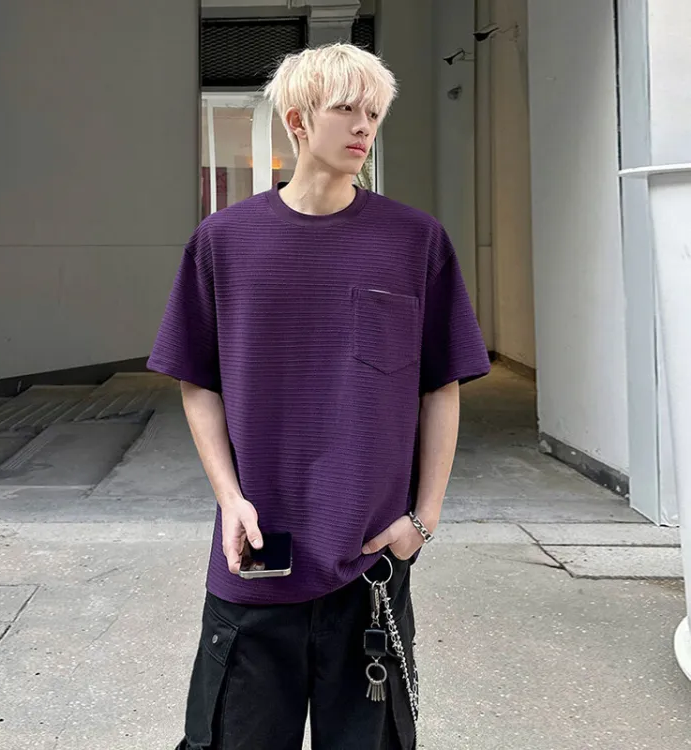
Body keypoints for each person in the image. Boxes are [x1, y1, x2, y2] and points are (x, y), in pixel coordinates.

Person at [147, 42, 490, 750]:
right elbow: (197, 381)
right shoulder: (223, 242)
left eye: (375, 113)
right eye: (346, 109)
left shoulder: (414, 241)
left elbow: (442, 384)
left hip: (370, 563)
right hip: (256, 560)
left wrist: (423, 521)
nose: (364, 126)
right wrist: (229, 499)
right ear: (299, 120)